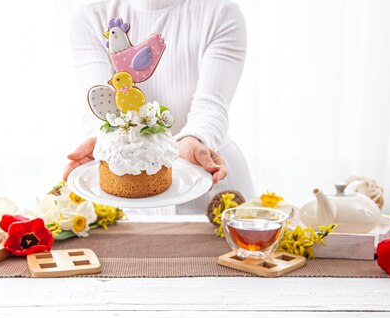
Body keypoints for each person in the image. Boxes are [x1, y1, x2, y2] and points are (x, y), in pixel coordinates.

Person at [63, 0, 254, 214]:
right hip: (125, 192)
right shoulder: (91, 17)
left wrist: (195, 139)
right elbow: (102, 108)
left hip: (209, 188)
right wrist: (104, 144)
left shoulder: (220, 13)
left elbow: (212, 106)